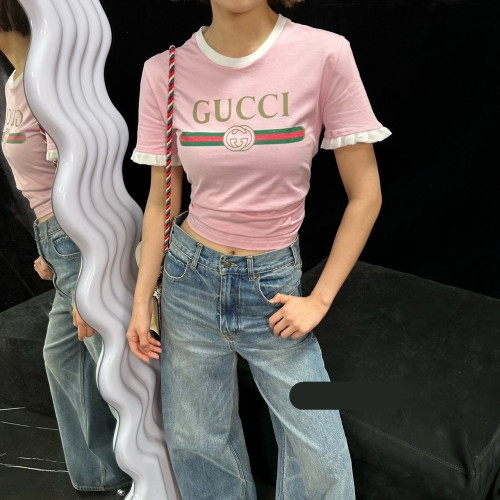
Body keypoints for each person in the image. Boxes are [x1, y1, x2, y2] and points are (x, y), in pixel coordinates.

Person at [127, 0, 391, 498]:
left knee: (323, 460)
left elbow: (366, 195)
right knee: (198, 444)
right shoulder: (164, 71)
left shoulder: (324, 53)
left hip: (273, 288)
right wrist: (143, 300)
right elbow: (162, 199)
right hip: (188, 281)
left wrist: (320, 298)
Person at [0, 0, 131, 495]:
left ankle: (159, 473)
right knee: (62, 357)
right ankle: (100, 475)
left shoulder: (47, 82)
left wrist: (87, 266)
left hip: (79, 236)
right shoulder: (16, 82)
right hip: (57, 239)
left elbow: (88, 180)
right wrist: (48, 249)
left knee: (120, 369)